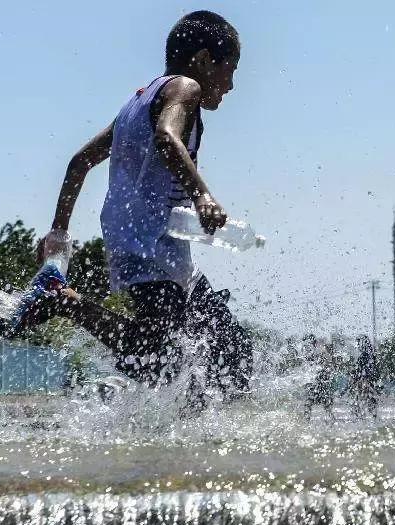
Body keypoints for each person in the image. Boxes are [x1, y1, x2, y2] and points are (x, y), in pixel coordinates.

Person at [17, 11, 252, 413]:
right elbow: (166, 137)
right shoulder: (185, 87)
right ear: (202, 59)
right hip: (148, 246)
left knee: (231, 351)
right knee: (157, 361)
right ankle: (64, 301)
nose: (230, 85)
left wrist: (58, 233)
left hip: (149, 242)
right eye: (229, 69)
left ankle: (196, 431)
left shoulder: (139, 100)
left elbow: (79, 161)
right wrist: (203, 197)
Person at [350, 335, 379, 418]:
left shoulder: (367, 355)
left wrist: (362, 377)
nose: (358, 345)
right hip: (367, 379)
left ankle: (362, 411)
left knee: (361, 393)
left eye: (359, 343)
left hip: (367, 379)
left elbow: (366, 369)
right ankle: (363, 411)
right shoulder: (368, 354)